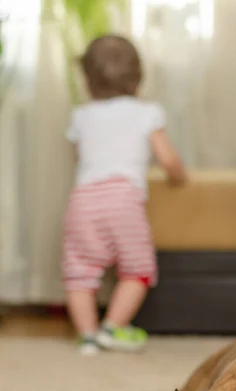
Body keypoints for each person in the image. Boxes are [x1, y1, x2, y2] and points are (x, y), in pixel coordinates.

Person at [63, 35, 186, 355]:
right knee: (137, 268)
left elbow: (79, 156)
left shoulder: (81, 115)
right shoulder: (147, 113)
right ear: (137, 77)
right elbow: (168, 159)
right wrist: (178, 177)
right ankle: (113, 327)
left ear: (88, 79)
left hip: (83, 199)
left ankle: (87, 336)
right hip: (123, 200)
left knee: (80, 270)